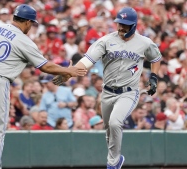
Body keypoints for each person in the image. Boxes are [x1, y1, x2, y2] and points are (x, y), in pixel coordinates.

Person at [0, 4, 86, 169]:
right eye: (32, 23)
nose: (31, 27)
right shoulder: (23, 40)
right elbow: (45, 66)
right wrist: (68, 70)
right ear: (28, 22)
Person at [53, 7, 161, 169]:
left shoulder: (144, 42)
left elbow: (156, 58)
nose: (120, 27)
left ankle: (113, 163)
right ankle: (115, 159)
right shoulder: (105, 41)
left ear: (133, 25)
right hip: (107, 92)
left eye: (125, 24)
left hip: (129, 92)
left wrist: (154, 77)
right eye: (119, 23)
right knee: (109, 131)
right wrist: (71, 72)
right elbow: (88, 60)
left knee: (115, 123)